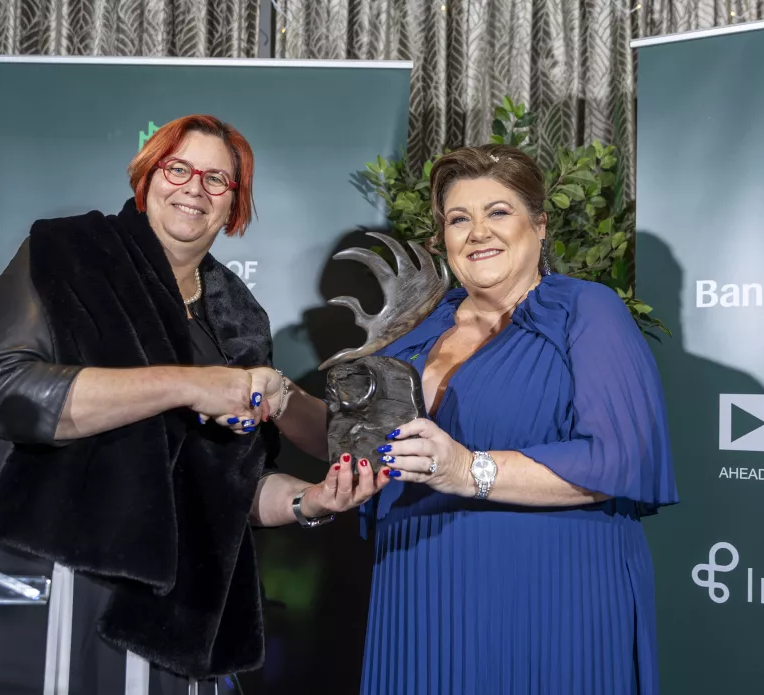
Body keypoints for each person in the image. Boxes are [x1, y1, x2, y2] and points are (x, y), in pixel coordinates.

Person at [0, 114, 388, 695]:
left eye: (216, 179)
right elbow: (6, 392)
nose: (193, 188)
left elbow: (233, 483)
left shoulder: (237, 316)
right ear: (148, 176)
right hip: (24, 553)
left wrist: (310, 501)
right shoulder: (68, 249)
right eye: (177, 168)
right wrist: (188, 385)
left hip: (158, 589)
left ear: (234, 204)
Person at [237, 143, 679, 694]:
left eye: (499, 212)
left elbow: (620, 457)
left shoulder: (585, 310)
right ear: (443, 237)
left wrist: (469, 469)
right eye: (459, 219)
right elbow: (362, 444)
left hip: (552, 585)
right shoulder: (419, 329)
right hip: (420, 578)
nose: (478, 232)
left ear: (539, 226)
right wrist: (283, 401)